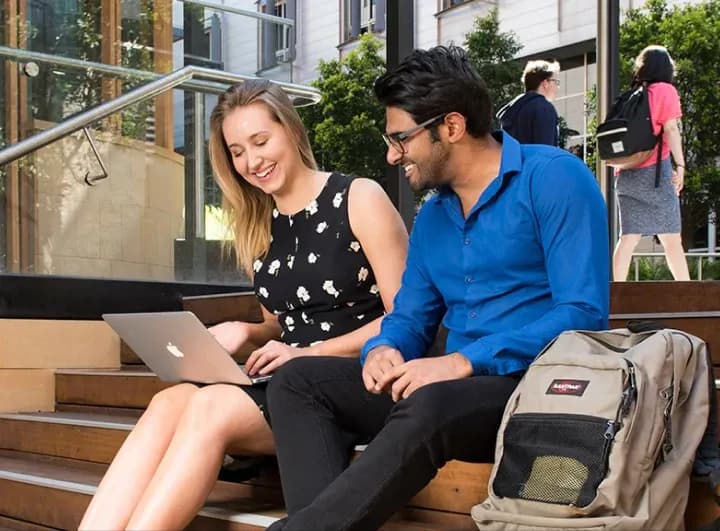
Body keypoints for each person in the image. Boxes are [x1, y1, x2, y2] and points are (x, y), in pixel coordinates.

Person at [265, 46, 609, 531]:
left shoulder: (553, 178)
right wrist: (385, 348)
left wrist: (465, 360)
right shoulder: (432, 217)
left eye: (401, 139)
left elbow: (582, 313)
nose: (391, 155)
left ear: (450, 126)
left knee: (432, 401)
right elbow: (409, 318)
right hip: (447, 392)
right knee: (297, 381)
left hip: (530, 390)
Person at [78, 79, 408, 530]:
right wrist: (247, 331)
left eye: (260, 141)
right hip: (290, 384)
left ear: (290, 130)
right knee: (169, 401)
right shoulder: (257, 227)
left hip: (361, 380)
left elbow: (405, 320)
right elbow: (280, 325)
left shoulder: (358, 197)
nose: (252, 161)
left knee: (208, 406)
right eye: (237, 151)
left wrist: (304, 354)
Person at [612, 45, 690, 281]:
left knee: (628, 238)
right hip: (656, 172)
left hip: (626, 173)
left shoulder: (633, 94)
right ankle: (687, 296)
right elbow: (671, 130)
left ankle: (617, 294)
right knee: (671, 237)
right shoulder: (666, 91)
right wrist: (681, 166)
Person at [496, 59, 561, 146]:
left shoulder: (511, 110)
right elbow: (545, 151)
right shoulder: (544, 108)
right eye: (556, 82)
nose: (558, 87)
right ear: (545, 83)